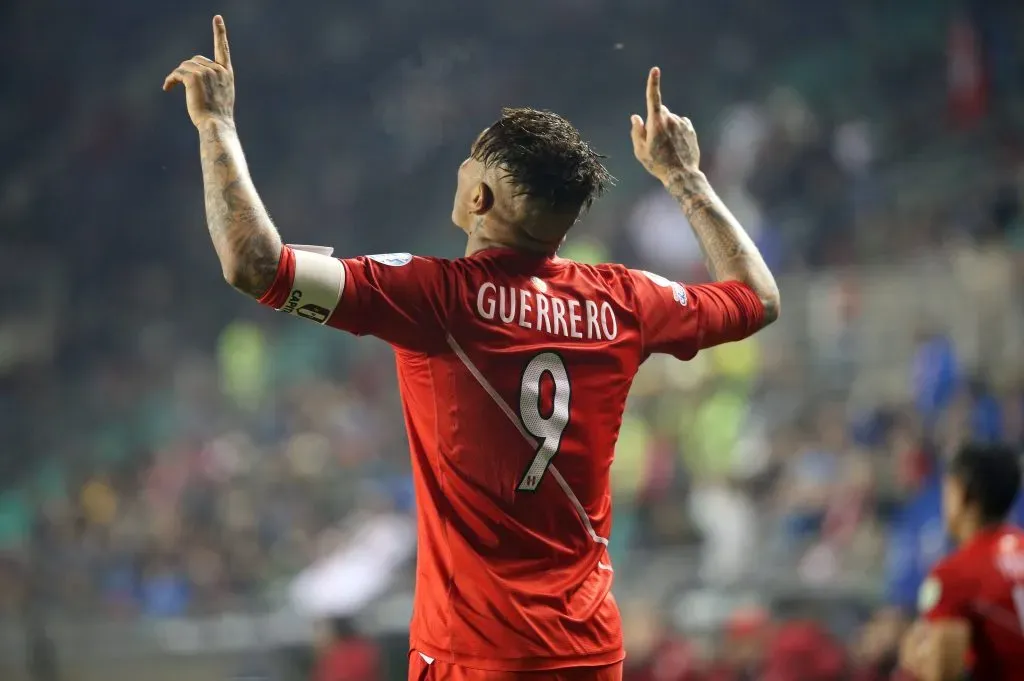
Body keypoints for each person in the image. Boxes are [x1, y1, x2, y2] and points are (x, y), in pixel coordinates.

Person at [163, 16, 779, 681]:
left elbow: (256, 265)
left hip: (475, 655)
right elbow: (756, 296)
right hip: (589, 650)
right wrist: (684, 176)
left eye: (468, 159)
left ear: (477, 194)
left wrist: (216, 124)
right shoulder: (623, 300)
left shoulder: (436, 296)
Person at [899, 442, 1024, 680]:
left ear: (962, 494)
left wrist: (914, 657)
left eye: (947, 490)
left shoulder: (955, 574)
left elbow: (944, 673)